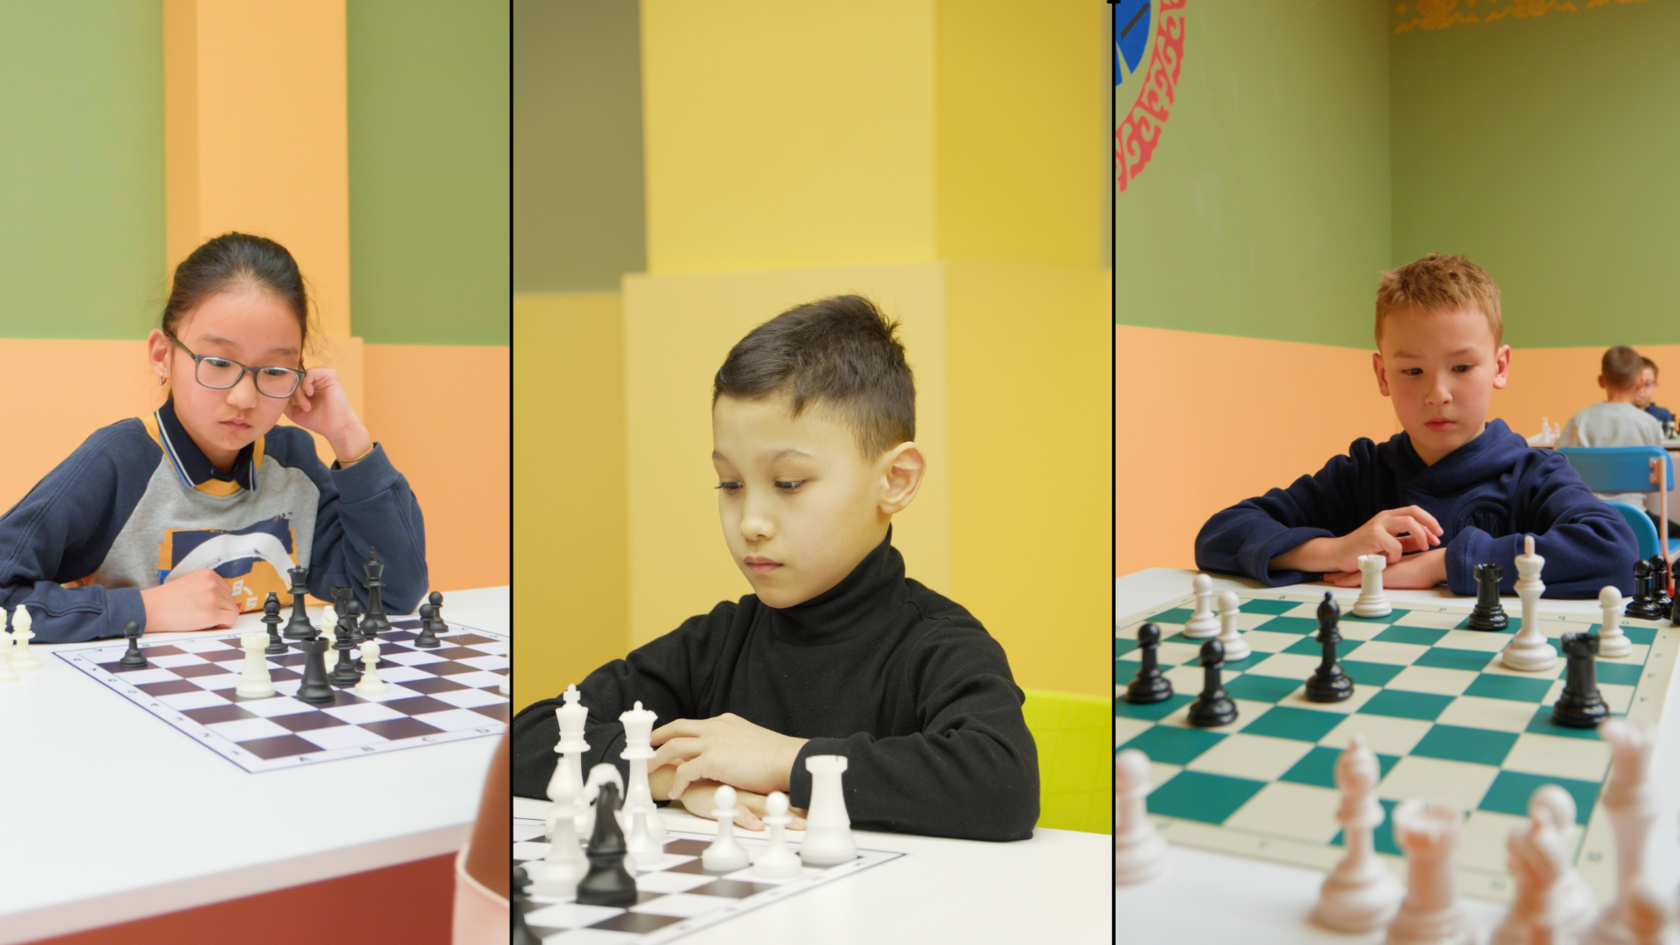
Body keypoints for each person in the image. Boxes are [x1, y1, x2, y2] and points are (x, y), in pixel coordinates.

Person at [511, 295, 1039, 842]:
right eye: (730, 484)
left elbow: (1003, 785)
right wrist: (672, 776)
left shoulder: (937, 645)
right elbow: (526, 740)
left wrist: (783, 760)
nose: (751, 522)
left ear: (895, 480)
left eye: (788, 483)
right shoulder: (716, 645)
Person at [0, 232, 426, 643]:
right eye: (219, 363)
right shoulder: (120, 462)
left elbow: (393, 593)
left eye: (274, 371)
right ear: (163, 355)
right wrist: (145, 609)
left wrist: (348, 437)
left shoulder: (291, 463)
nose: (244, 398)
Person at [1195, 254, 1636, 599]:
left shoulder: (1533, 475)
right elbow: (1220, 533)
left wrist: (1441, 564)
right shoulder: (1362, 474)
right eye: (1412, 371)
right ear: (1382, 374)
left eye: (1461, 367)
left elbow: (1614, 550)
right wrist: (1334, 549)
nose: (1437, 394)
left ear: (1499, 367)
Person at [1556, 345, 1664, 511]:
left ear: (1601, 381)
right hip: (1636, 516)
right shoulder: (1649, 424)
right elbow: (1660, 479)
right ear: (1640, 383)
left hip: (1588, 514)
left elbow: (1558, 465)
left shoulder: (1579, 421)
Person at [1635, 356, 1672, 427]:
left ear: (1655, 386)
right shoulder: (1620, 414)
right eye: (1636, 384)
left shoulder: (1663, 415)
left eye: (1647, 384)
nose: (1640, 389)